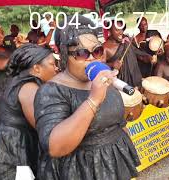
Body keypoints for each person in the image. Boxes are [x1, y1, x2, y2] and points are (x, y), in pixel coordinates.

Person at [34, 15, 140, 180]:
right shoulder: (51, 91)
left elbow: (118, 121)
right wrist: (93, 100)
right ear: (63, 55)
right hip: (81, 169)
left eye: (97, 51)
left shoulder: (101, 77)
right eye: (82, 53)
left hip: (115, 161)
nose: (92, 58)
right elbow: (55, 147)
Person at [0, 44, 58, 179]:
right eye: (52, 64)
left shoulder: (15, 82)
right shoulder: (29, 88)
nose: (56, 69)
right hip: (14, 159)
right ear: (37, 68)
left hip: (4, 156)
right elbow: (44, 129)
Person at [103, 20, 149, 87]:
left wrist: (148, 57)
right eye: (117, 30)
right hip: (120, 85)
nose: (121, 32)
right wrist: (112, 64)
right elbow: (99, 67)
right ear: (109, 31)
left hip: (136, 80)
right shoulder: (105, 48)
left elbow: (137, 53)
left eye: (122, 29)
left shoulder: (126, 41)